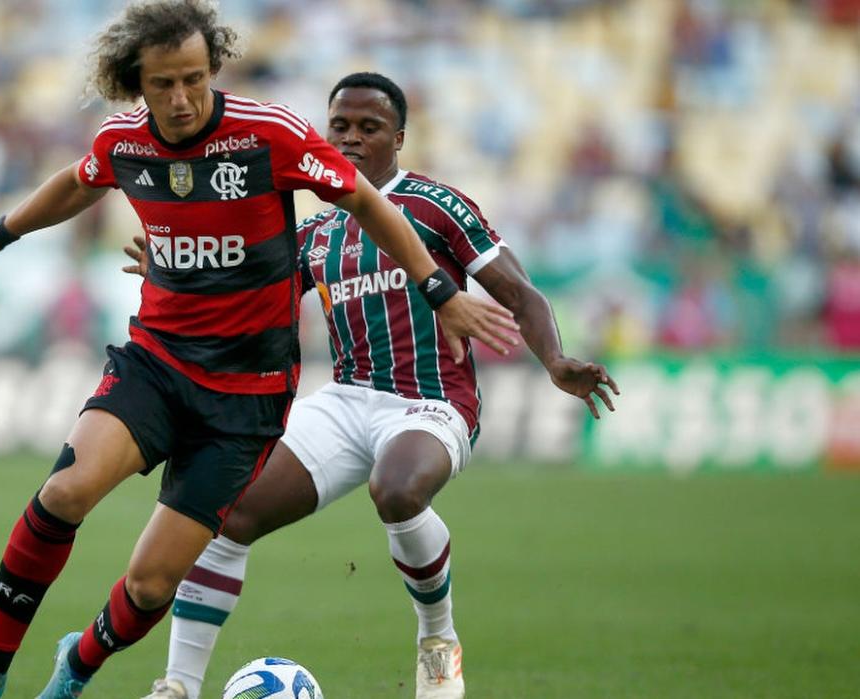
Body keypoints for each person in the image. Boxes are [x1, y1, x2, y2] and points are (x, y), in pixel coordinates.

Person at [0, 3, 521, 698]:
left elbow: (366, 202)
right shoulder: (125, 140)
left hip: (246, 396)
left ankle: (74, 667)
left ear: (214, 71)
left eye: (194, 80)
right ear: (134, 83)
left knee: (149, 583)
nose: (180, 99)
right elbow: (76, 183)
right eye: (162, 85)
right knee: (66, 490)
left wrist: (437, 287)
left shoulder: (270, 136)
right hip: (159, 360)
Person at [125, 72, 620, 699]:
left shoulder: (436, 206)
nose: (352, 139)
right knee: (225, 509)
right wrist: (177, 266)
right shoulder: (315, 233)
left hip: (431, 401)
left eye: (369, 128)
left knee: (396, 489)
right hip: (346, 399)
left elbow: (518, 291)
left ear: (399, 138)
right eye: (340, 127)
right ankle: (177, 686)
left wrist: (553, 359)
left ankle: (437, 638)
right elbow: (238, 288)